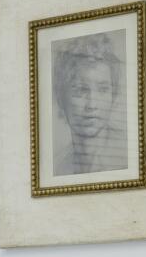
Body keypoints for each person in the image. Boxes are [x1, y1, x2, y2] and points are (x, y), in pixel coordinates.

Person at [50, 30, 130, 176]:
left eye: (103, 89)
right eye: (81, 90)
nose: (92, 104)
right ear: (61, 99)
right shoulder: (57, 168)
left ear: (114, 95)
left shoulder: (129, 156)